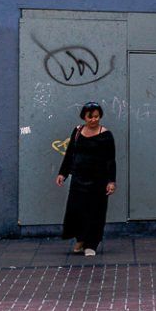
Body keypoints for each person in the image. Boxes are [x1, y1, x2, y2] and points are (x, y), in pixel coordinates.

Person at [56, 102, 117, 257]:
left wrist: (111, 181)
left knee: (95, 212)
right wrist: (63, 173)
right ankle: (80, 239)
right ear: (84, 116)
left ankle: (91, 244)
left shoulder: (106, 135)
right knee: (76, 210)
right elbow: (70, 153)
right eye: (90, 117)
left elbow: (111, 160)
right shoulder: (77, 132)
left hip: (98, 180)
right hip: (78, 179)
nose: (93, 120)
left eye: (96, 116)